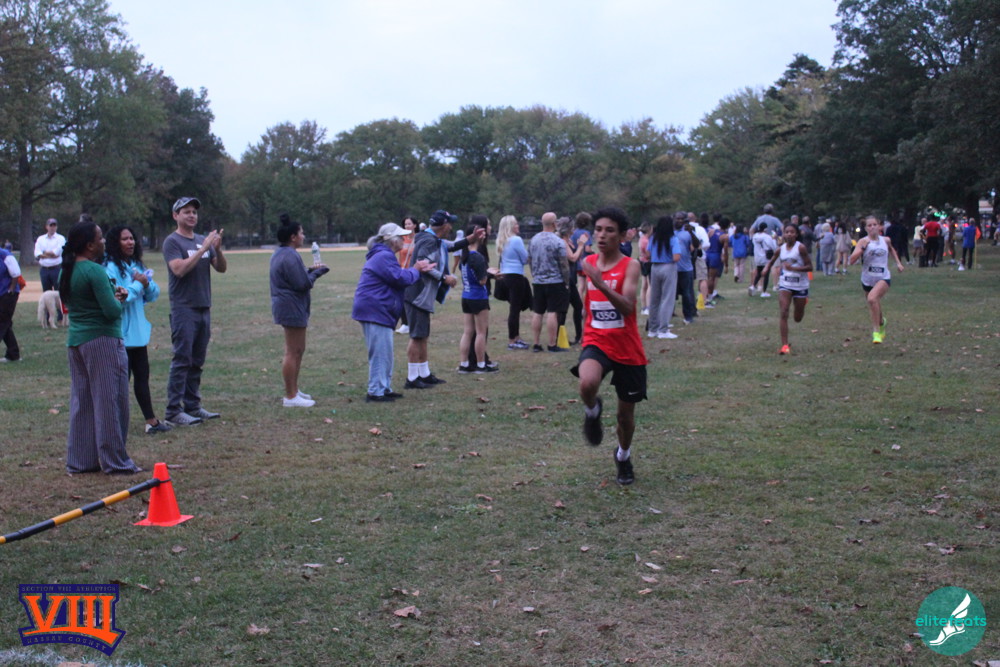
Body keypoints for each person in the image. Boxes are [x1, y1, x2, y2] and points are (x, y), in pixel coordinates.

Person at [572, 206, 647, 485]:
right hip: (597, 340)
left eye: (609, 230)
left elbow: (627, 307)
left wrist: (601, 283)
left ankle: (623, 456)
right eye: (598, 230)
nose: (602, 235)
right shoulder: (589, 261)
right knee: (587, 383)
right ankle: (592, 411)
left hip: (627, 347)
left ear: (623, 236)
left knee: (625, 417)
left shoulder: (631, 265)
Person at [59, 220, 141, 474]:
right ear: (90, 245)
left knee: (83, 401)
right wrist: (119, 297)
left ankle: (81, 461)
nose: (104, 242)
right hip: (103, 341)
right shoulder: (94, 271)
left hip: (77, 342)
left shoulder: (67, 271)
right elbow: (111, 311)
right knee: (110, 401)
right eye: (100, 238)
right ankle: (115, 462)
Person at [162, 196, 227, 426]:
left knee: (197, 360)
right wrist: (204, 249)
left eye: (194, 212)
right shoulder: (172, 242)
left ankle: (193, 406)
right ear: (176, 215)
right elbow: (179, 270)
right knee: (182, 359)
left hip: (203, 306)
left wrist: (217, 250)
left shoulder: (201, 240)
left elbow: (221, 268)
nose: (192, 215)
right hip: (184, 308)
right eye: (186, 211)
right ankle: (173, 411)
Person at [352, 223, 434, 401]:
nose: (404, 240)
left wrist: (415, 270)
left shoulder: (384, 255)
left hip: (377, 309)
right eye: (401, 237)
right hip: (375, 309)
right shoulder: (384, 256)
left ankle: (384, 388)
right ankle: (375, 392)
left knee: (385, 352)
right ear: (392, 240)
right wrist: (416, 269)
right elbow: (400, 278)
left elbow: (397, 276)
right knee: (380, 353)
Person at [403, 209, 482, 388]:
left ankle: (424, 373)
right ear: (444, 225)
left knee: (422, 335)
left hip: (422, 296)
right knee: (416, 336)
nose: (451, 227)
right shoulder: (429, 241)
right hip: (417, 295)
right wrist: (444, 277)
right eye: (450, 223)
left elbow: (451, 246)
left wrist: (470, 238)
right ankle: (412, 378)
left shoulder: (433, 239)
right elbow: (423, 264)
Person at [103, 225, 170, 433]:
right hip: (119, 334)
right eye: (125, 239)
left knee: (142, 377)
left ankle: (151, 421)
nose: (130, 242)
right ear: (115, 242)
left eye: (132, 238)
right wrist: (139, 284)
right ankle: (113, 424)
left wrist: (146, 284)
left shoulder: (135, 264)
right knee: (119, 383)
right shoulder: (109, 267)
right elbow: (119, 297)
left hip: (138, 335)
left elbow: (153, 294)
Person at [270, 214, 329, 408]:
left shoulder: (281, 253)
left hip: (290, 305)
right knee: (292, 351)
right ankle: (290, 396)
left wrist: (310, 271)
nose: (304, 236)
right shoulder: (290, 255)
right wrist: (317, 273)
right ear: (293, 237)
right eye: (301, 233)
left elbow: (296, 277)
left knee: (298, 350)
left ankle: (294, 389)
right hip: (290, 307)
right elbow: (302, 284)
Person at [849, 216, 904, 344]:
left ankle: (876, 333)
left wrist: (898, 263)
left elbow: (891, 249)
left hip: (883, 277)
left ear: (879, 226)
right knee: (874, 303)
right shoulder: (863, 241)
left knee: (872, 299)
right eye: (869, 225)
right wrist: (862, 249)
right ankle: (881, 323)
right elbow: (851, 260)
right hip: (867, 279)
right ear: (865, 228)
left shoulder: (886, 240)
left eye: (875, 224)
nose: (873, 227)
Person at [458, 217, 500, 374]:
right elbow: (482, 281)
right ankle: (481, 365)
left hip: (466, 296)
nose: (484, 236)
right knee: (481, 333)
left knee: (467, 332)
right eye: (481, 234)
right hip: (478, 297)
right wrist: (491, 274)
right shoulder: (477, 257)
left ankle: (464, 364)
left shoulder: (465, 255)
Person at [763, 224, 813, 355]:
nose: (789, 234)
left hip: (801, 285)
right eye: (787, 232)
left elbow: (810, 267)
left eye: (792, 232)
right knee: (784, 311)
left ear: (796, 234)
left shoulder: (800, 248)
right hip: (785, 284)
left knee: (797, 318)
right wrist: (766, 268)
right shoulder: (781, 249)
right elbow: (772, 260)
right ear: (783, 234)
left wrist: (794, 268)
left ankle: (803, 302)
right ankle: (784, 345)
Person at [529, 212, 569, 352]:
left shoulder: (533, 240)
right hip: (555, 281)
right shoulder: (558, 241)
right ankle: (552, 344)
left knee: (538, 312)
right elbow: (563, 264)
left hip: (538, 281)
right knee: (552, 311)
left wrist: (535, 274)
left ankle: (536, 343)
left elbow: (530, 259)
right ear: (554, 224)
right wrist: (566, 281)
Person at [496, 215, 531, 350]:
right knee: (515, 310)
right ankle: (512, 340)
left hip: (505, 276)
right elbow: (525, 259)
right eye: (515, 224)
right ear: (510, 226)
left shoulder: (502, 240)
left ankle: (516, 337)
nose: (518, 226)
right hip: (515, 276)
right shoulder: (516, 240)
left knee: (514, 309)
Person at [645, 215, 679, 339]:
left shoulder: (653, 238)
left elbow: (647, 253)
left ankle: (652, 329)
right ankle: (663, 330)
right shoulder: (672, 238)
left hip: (655, 267)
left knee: (655, 299)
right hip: (668, 267)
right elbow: (676, 257)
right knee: (667, 299)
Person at [558, 216, 585, 344]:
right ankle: (560, 338)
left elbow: (576, 257)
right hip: (565, 279)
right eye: (572, 227)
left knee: (577, 306)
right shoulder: (562, 242)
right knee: (564, 309)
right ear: (568, 228)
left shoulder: (569, 241)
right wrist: (581, 245)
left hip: (571, 278)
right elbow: (572, 258)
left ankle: (578, 336)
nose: (574, 229)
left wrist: (579, 247)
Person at [34, 218, 66, 322]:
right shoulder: (41, 239)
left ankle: (61, 317)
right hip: (44, 270)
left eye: (54, 225)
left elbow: (57, 253)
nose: (52, 227)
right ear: (46, 226)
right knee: (46, 293)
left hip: (56, 268)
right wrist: (50, 254)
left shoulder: (60, 238)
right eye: (50, 225)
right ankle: (48, 318)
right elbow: (37, 254)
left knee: (60, 293)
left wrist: (45, 253)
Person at [395, 216, 417, 334]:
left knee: (414, 298)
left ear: (415, 225)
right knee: (402, 298)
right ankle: (405, 324)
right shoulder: (401, 239)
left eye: (409, 224)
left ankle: (414, 322)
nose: (407, 226)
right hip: (403, 271)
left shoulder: (418, 239)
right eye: (405, 224)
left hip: (415, 272)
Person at [0, 243, 22, 363]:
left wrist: (11, 289)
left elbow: (16, 273)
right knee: (5, 324)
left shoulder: (5, 255)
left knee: (2, 321)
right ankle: (13, 354)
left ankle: (13, 354)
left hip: (8, 294)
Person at [750, 222, 777, 297]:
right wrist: (774, 239)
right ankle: (764, 292)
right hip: (766, 257)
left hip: (757, 257)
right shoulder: (767, 237)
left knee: (759, 272)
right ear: (765, 229)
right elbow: (773, 247)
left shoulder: (755, 236)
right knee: (766, 274)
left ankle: (753, 286)